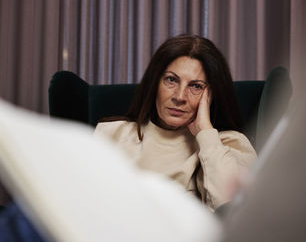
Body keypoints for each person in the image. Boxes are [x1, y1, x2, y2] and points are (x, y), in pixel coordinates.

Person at [94, 34, 257, 211]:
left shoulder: (228, 145)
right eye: (171, 80)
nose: (179, 97)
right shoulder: (112, 133)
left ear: (211, 95)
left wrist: (205, 133)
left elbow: (234, 213)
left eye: (196, 86)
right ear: (154, 83)